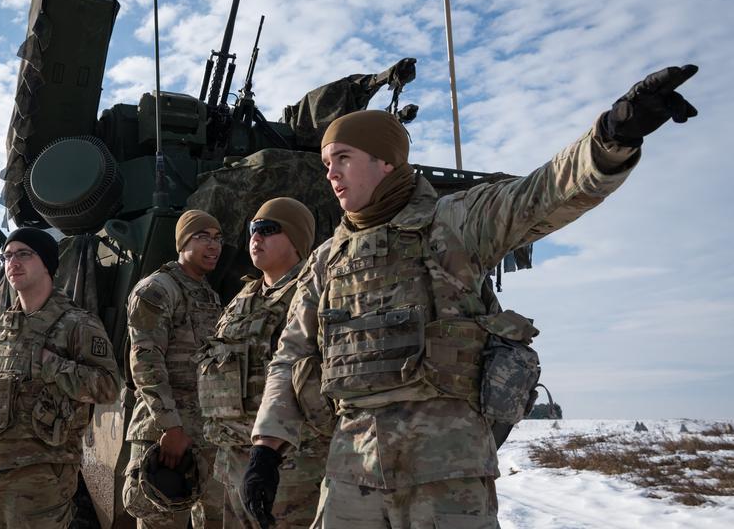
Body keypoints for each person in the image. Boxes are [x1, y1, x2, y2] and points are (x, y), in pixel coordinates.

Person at [243, 66, 699, 528]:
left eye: (342, 158)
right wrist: (266, 449)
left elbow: (542, 194)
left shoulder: (454, 223)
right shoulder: (326, 261)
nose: (331, 174)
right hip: (349, 476)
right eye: (326, 164)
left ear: (385, 161)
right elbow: (291, 355)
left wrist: (610, 137)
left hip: (445, 474)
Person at [0, 227, 120, 528]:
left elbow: (108, 386)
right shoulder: (0, 328)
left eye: (24, 254)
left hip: (38, 480)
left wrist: (51, 364)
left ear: (46, 263)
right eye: (7, 256)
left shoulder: (77, 324)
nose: (13, 262)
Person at [198, 197, 330, 528]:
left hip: (291, 465)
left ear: (297, 240)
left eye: (268, 230)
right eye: (253, 229)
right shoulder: (242, 299)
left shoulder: (314, 295)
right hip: (232, 458)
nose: (256, 237)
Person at [123, 209, 226, 528]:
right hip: (166, 435)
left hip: (207, 436)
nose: (213, 246)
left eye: (218, 238)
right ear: (182, 242)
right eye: (203, 237)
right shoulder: (157, 289)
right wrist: (171, 426)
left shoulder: (208, 294)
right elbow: (145, 362)